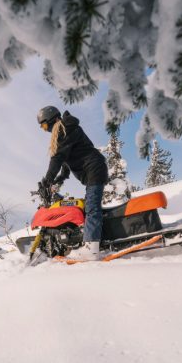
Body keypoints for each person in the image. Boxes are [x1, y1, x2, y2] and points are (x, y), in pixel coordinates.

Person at [37, 105, 108, 260]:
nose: (44, 129)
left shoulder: (65, 128)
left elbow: (58, 157)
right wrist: (59, 180)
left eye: (43, 125)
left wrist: (47, 180)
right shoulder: (65, 130)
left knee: (92, 207)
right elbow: (65, 165)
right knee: (89, 206)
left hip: (94, 168)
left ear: (50, 119)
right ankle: (93, 240)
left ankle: (92, 247)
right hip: (93, 170)